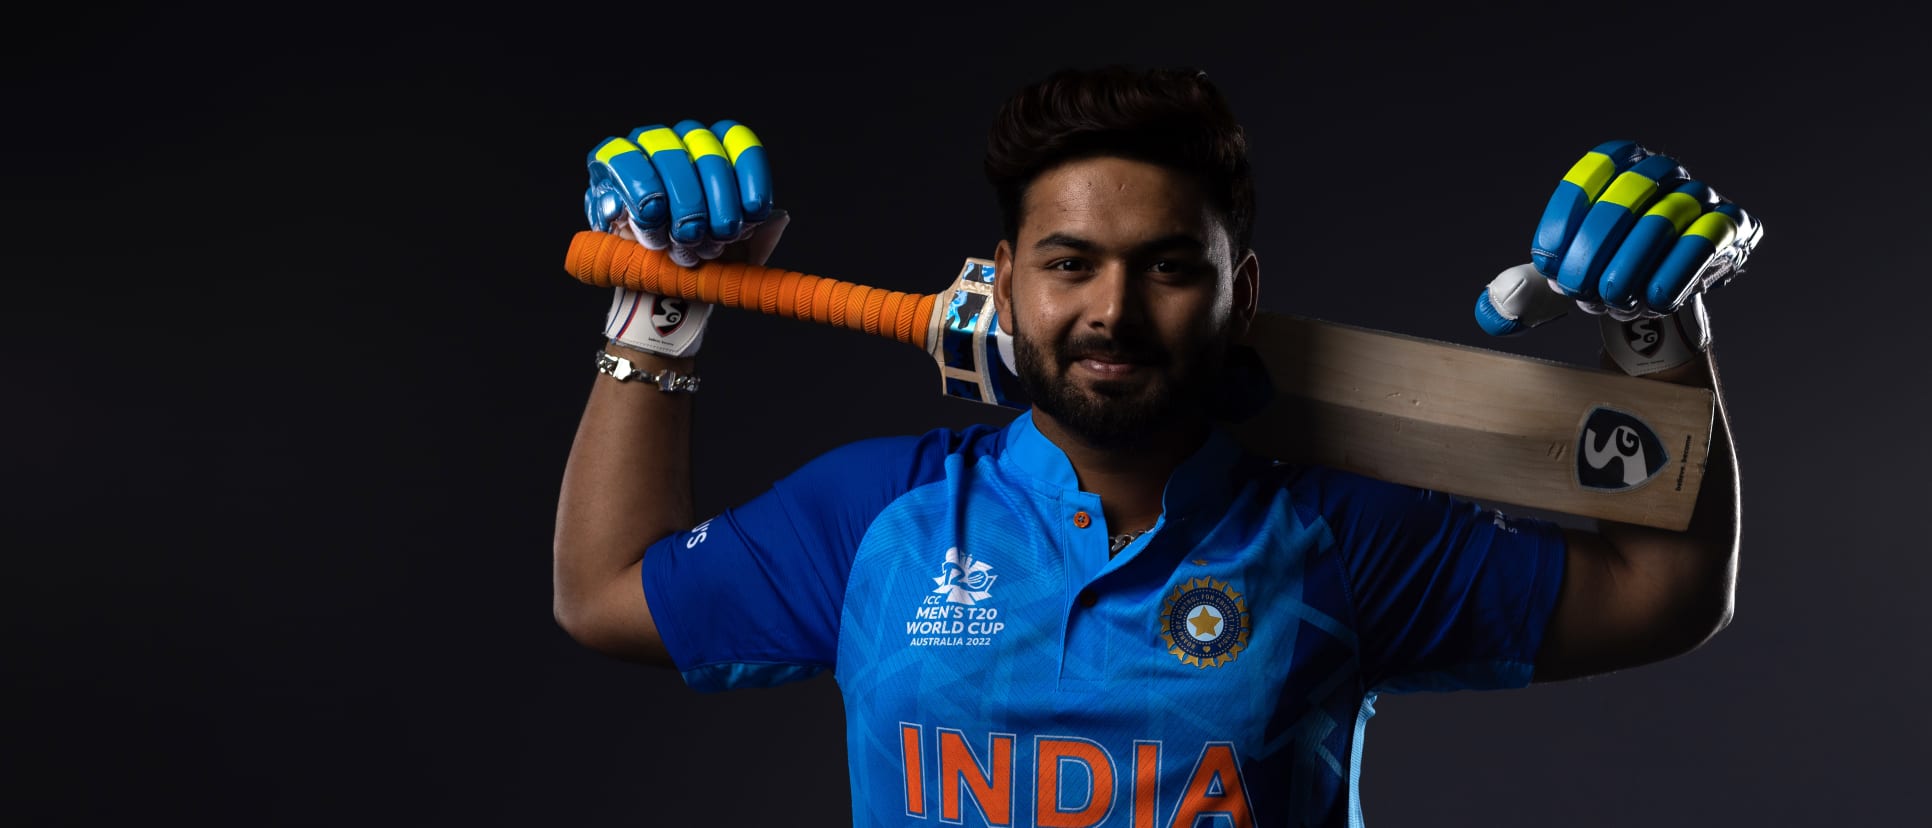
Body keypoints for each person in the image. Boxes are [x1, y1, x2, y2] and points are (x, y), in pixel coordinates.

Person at [552, 65, 1752, 827]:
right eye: (1069, 265)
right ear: (1006, 282)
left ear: (1241, 293)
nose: (1113, 313)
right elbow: (607, 597)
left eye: (1170, 267)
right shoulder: (882, 517)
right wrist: (660, 320)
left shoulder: (1335, 535)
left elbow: (1662, 597)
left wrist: (1657, 333)